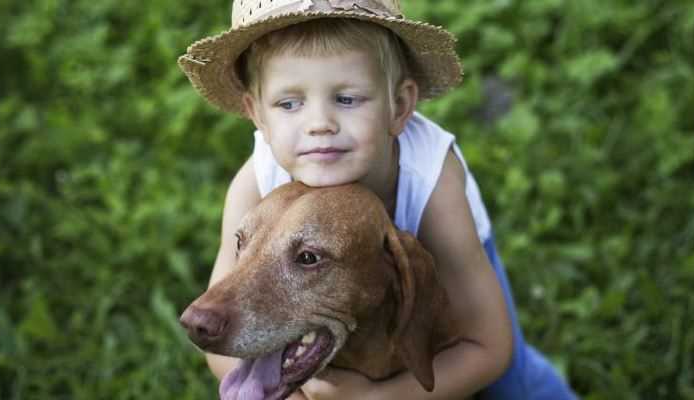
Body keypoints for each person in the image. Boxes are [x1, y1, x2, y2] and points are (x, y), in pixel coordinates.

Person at [178, 0, 575, 398]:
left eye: (346, 99)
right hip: (341, 274)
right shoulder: (252, 186)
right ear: (257, 115)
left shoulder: (434, 184)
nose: (319, 124)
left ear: (399, 106)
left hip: (451, 254)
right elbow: (213, 318)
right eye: (289, 103)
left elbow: (487, 348)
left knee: (512, 385)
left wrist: (375, 398)